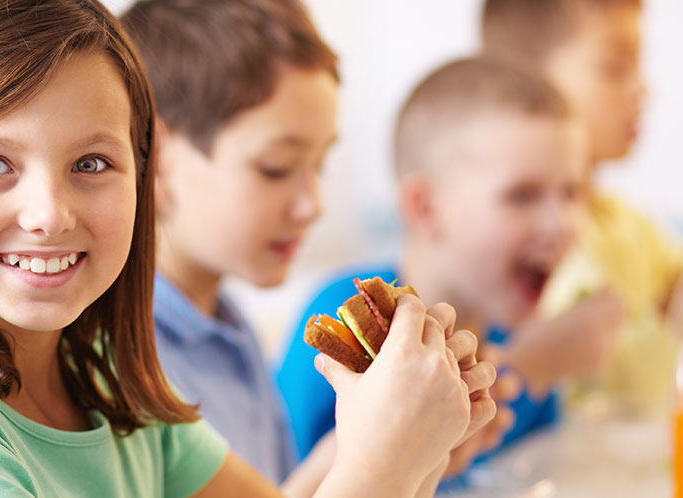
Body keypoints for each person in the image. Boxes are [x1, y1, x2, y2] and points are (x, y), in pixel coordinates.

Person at [0, 1, 493, 496]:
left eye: (91, 163)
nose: (50, 214)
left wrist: (401, 437)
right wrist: (385, 466)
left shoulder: (110, 387)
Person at [121, 0, 498, 494]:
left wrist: (408, 447)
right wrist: (385, 462)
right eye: (276, 168)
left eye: (319, 166)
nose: (312, 206)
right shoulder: (127, 362)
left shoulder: (228, 326)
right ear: (164, 158)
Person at [277, 56, 588, 476]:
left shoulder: (518, 345)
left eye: (572, 192)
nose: (563, 224)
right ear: (425, 208)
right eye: (522, 195)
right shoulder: (344, 324)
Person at [481, 0, 683, 416]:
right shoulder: (523, 238)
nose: (643, 89)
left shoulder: (625, 222)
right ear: (529, 86)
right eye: (615, 68)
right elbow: (641, 386)